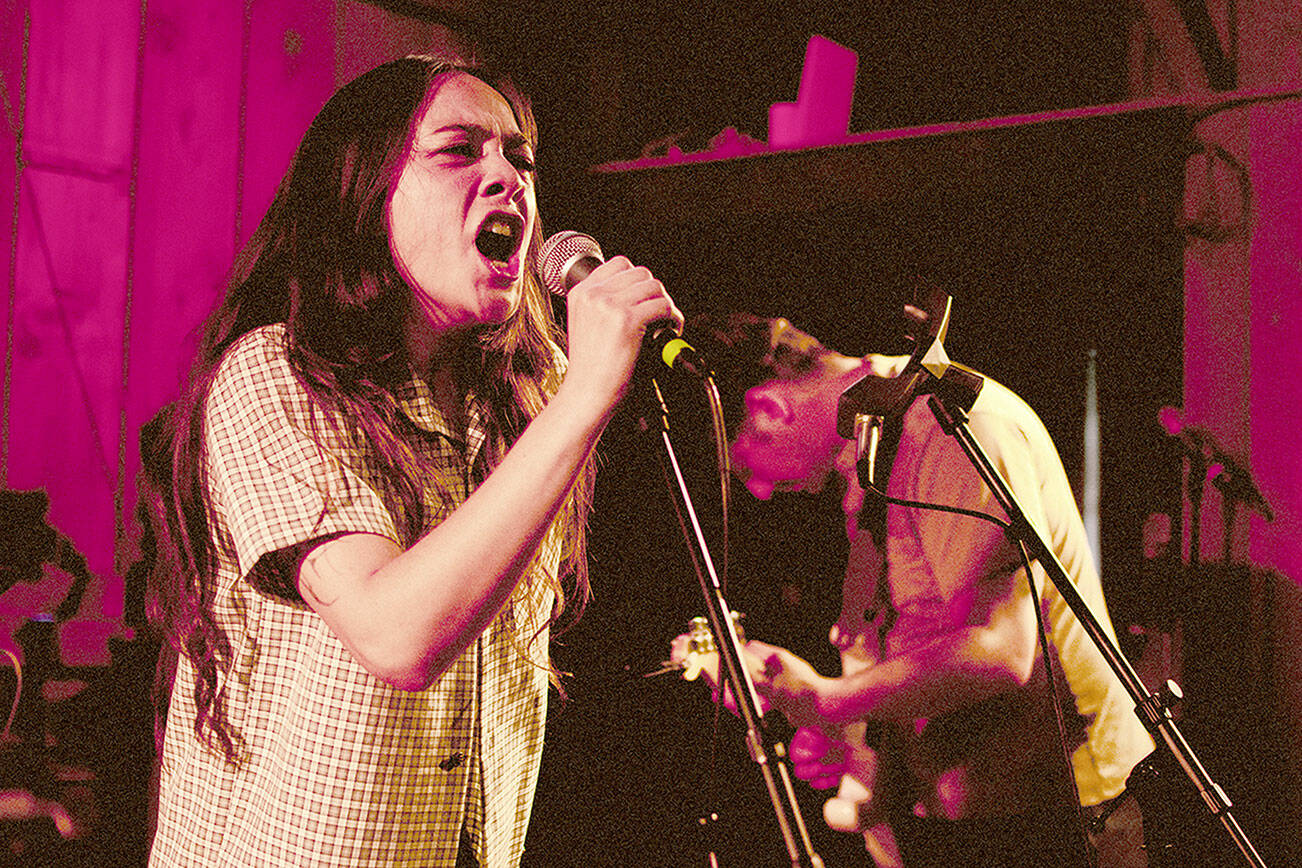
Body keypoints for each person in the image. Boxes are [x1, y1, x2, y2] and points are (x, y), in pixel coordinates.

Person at [141, 54, 680, 867]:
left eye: (520, 158)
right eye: (460, 151)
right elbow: (397, 637)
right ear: (364, 195)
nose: (507, 176)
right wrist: (585, 397)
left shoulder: (521, 403)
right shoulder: (275, 376)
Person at [681, 314, 1153, 867]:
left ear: (770, 409)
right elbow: (917, 636)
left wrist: (827, 701)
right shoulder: (873, 447)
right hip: (985, 821)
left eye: (743, 468)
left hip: (1068, 822)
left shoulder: (949, 427)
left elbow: (999, 649)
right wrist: (853, 744)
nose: (760, 492)